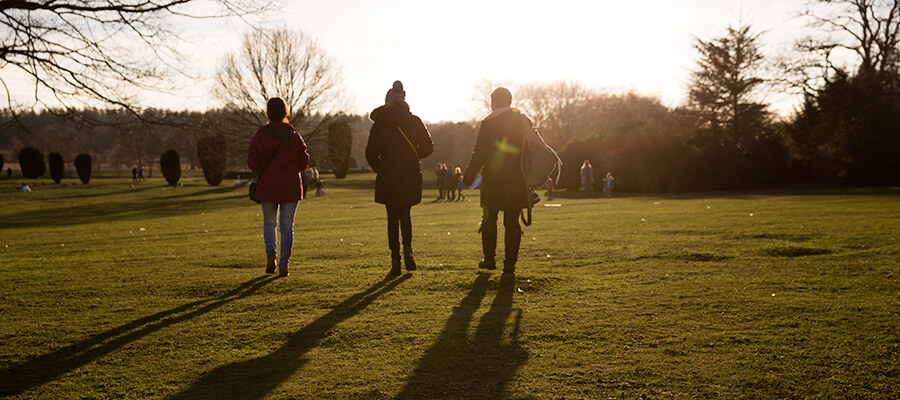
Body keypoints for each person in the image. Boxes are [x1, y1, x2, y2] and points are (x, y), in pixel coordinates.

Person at [366, 80, 434, 275]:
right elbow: (429, 148)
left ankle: (395, 259)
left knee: (392, 218)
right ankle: (409, 251)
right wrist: (412, 158)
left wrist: (382, 167)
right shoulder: (414, 121)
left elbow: (370, 153)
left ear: (388, 102)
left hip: (388, 174)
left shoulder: (380, 124)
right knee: (406, 215)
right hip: (410, 173)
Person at [463, 87, 530, 274]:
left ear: (493, 102)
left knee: (489, 219)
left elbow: (480, 153)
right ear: (510, 101)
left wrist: (469, 175)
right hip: (517, 178)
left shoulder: (488, 122)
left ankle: (490, 259)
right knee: (512, 222)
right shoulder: (523, 120)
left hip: (493, 179)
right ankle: (510, 264)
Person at [247, 97, 310, 277]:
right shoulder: (294, 135)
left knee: (269, 222)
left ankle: (270, 254)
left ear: (268, 113)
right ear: (285, 112)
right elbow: (304, 163)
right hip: (290, 185)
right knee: (286, 226)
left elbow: (253, 164)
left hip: (268, 186)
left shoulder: (260, 135)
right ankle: (284, 264)